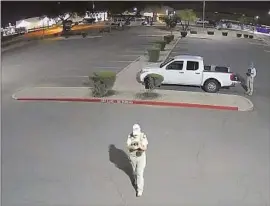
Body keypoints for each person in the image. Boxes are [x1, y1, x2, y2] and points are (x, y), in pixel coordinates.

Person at [127, 124, 148, 197]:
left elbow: (145, 147)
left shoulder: (143, 136)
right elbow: (128, 146)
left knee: (139, 173)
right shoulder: (130, 136)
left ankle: (139, 190)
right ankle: (134, 179)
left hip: (140, 157)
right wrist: (135, 147)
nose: (135, 135)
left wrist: (140, 147)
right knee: (134, 171)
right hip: (133, 157)